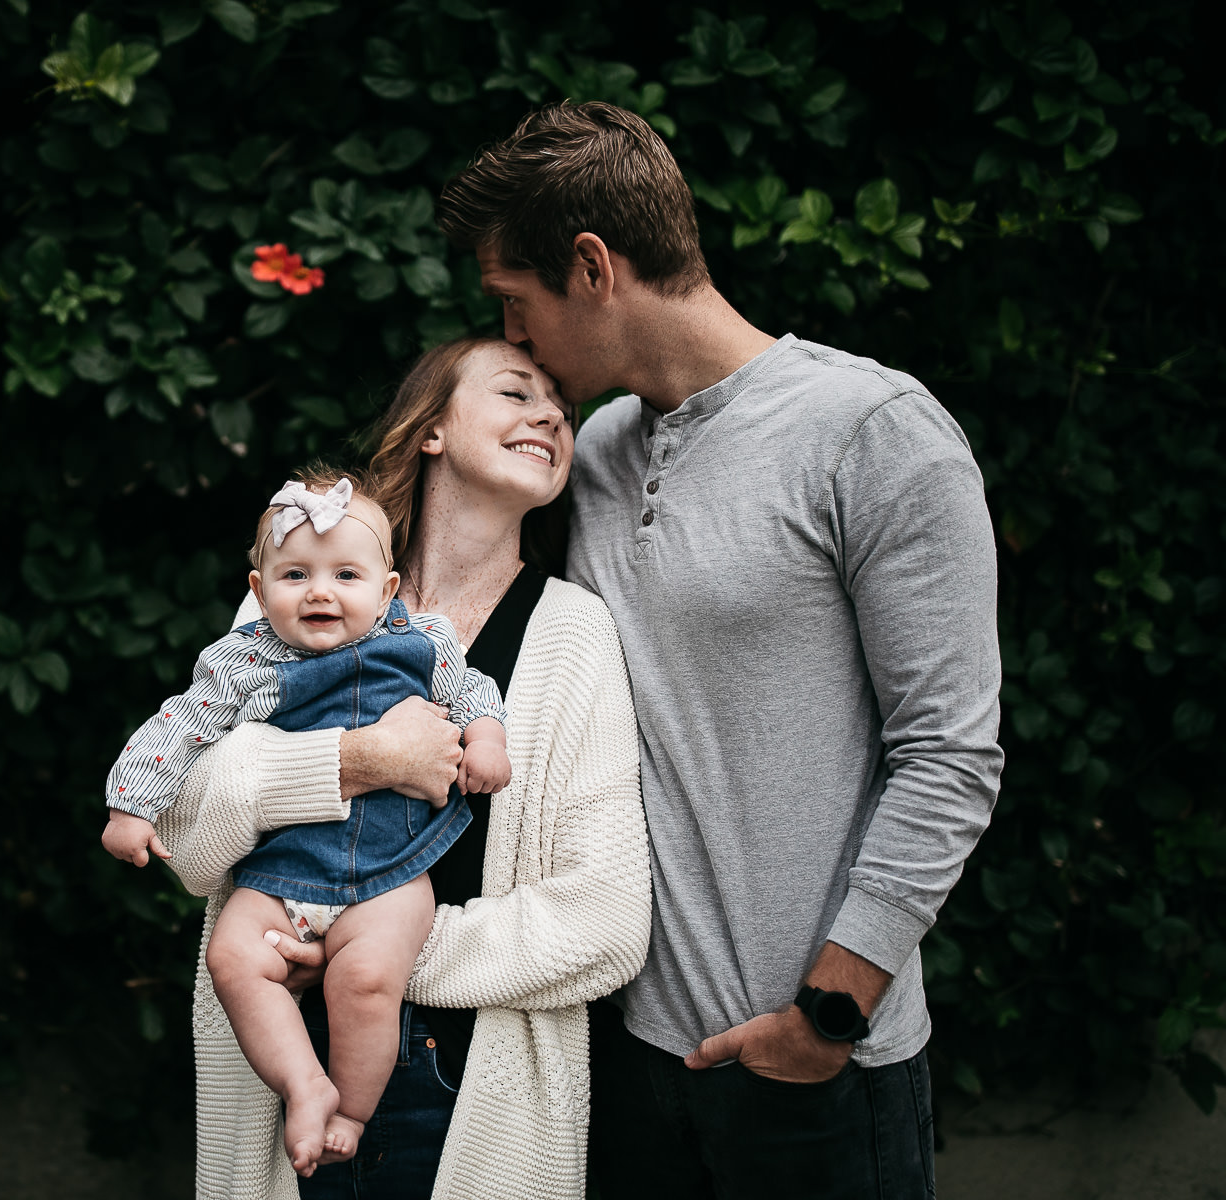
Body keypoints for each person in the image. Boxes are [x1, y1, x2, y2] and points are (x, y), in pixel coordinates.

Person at [435, 100, 1005, 1199]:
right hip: (630, 1063)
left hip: (812, 1071)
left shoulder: (872, 432)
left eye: (514, 302)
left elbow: (950, 755)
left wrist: (829, 1016)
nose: (512, 338)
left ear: (592, 267)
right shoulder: (591, 451)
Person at [152, 337, 652, 1199]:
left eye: (561, 410)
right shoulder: (300, 592)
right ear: (431, 430)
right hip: (278, 1071)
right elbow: (190, 840)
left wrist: (366, 957)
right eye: (515, 393)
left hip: (465, 1094)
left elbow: (607, 922)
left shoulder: (574, 634)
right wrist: (356, 761)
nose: (550, 417)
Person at [101, 475, 511, 1175]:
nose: (321, 592)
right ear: (260, 591)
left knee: (367, 979)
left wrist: (486, 737)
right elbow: (178, 727)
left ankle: (350, 1107)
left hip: (395, 866)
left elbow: (470, 688)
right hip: (286, 868)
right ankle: (304, 1084)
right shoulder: (244, 659)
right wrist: (129, 806)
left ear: (386, 591)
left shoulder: (421, 638)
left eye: (345, 575)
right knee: (233, 957)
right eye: (297, 575)